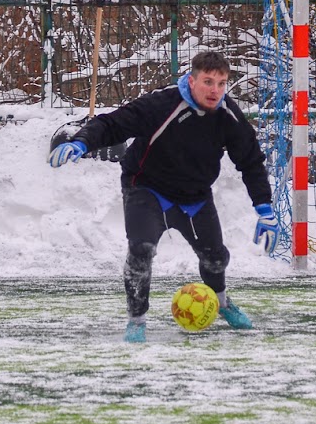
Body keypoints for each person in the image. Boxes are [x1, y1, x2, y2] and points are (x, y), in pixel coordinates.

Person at [47, 50, 279, 343]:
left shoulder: (227, 115)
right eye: (208, 82)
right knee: (141, 249)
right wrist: (81, 142)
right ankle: (137, 320)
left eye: (222, 83)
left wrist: (265, 208)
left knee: (215, 258)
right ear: (191, 80)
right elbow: (113, 123)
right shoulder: (162, 103)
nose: (215, 90)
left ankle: (220, 302)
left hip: (195, 197)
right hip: (147, 187)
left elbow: (251, 161)